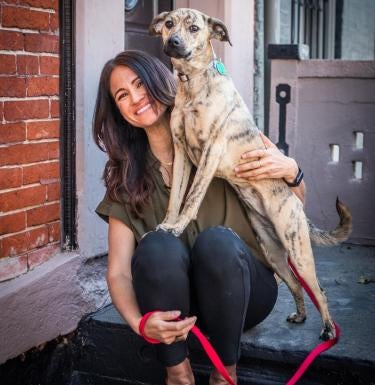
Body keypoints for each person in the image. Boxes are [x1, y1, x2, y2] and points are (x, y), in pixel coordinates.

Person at [93, 50, 305, 385]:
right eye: (122, 95)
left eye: (139, 84)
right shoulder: (127, 178)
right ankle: (177, 374)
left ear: (159, 80)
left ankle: (225, 375)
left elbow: (293, 203)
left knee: (216, 242)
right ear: (118, 111)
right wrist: (139, 323)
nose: (135, 98)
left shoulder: (220, 132)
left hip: (245, 293)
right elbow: (118, 272)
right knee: (156, 246)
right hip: (179, 307)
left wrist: (292, 171)